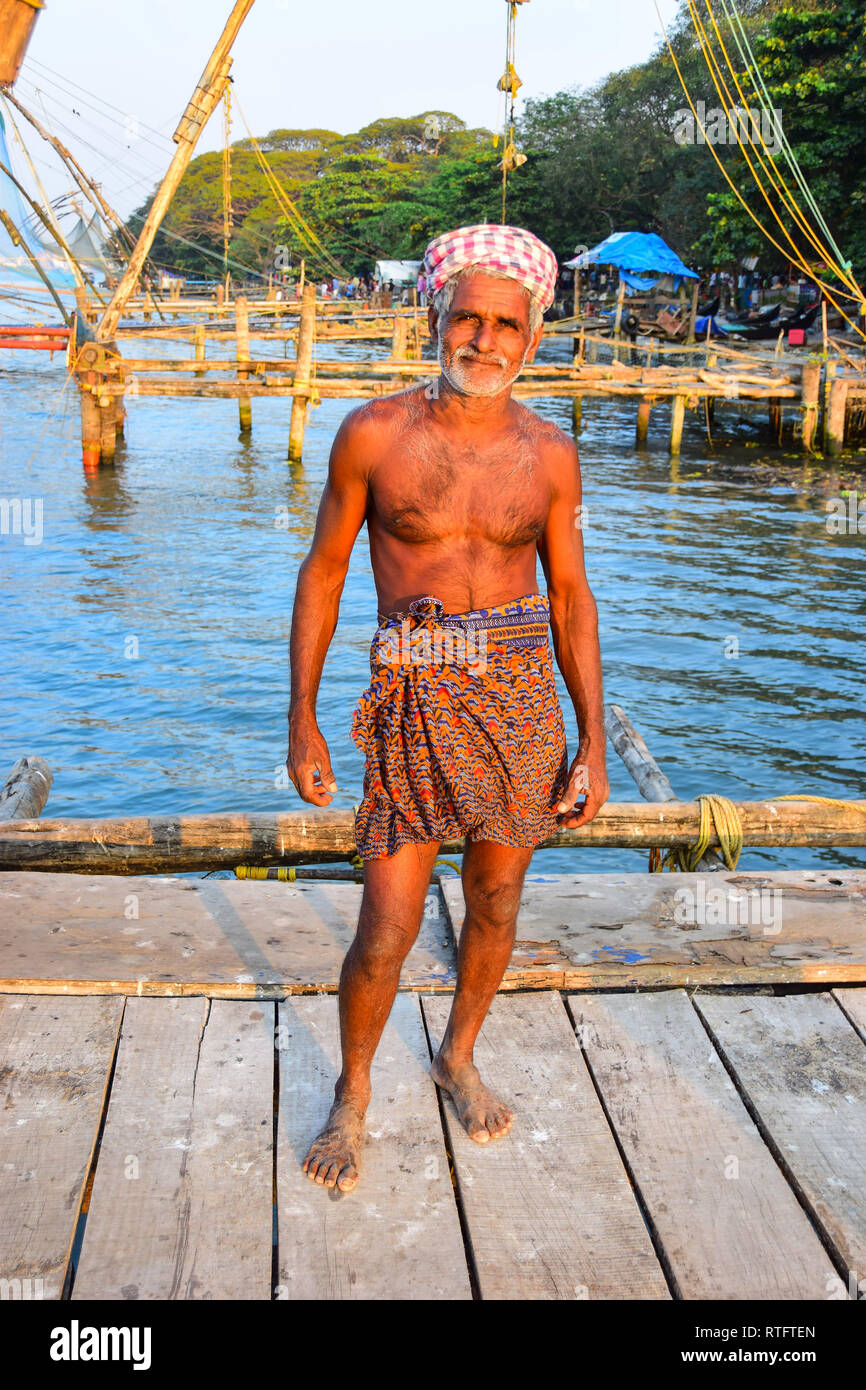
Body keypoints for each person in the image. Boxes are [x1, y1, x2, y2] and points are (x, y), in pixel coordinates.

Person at [287, 223, 608, 1194]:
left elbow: (568, 598)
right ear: (433, 315)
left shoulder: (550, 457)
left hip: (519, 706)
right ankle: (351, 1090)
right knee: (385, 921)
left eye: (504, 323)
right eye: (465, 315)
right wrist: (299, 716)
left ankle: (457, 1054)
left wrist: (594, 739)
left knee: (496, 899)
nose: (482, 338)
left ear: (532, 336)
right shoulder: (373, 435)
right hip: (411, 700)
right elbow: (326, 568)